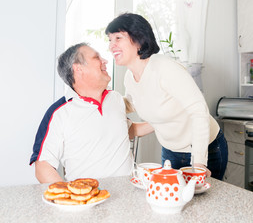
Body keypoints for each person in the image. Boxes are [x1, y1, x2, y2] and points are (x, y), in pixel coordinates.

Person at [105, 13, 228, 180]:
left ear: (139, 39)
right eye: (110, 40)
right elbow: (133, 103)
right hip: (170, 150)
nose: (112, 46)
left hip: (205, 148)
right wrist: (103, 99)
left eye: (118, 38)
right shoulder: (130, 76)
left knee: (204, 204)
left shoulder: (165, 69)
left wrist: (199, 164)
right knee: (172, 200)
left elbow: (199, 112)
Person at [30, 42, 153, 183]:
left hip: (129, 192)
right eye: (97, 58)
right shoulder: (59, 113)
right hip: (88, 198)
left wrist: (167, 121)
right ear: (78, 69)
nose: (105, 61)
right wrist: (70, 200)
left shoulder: (115, 98)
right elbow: (42, 166)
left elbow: (126, 131)